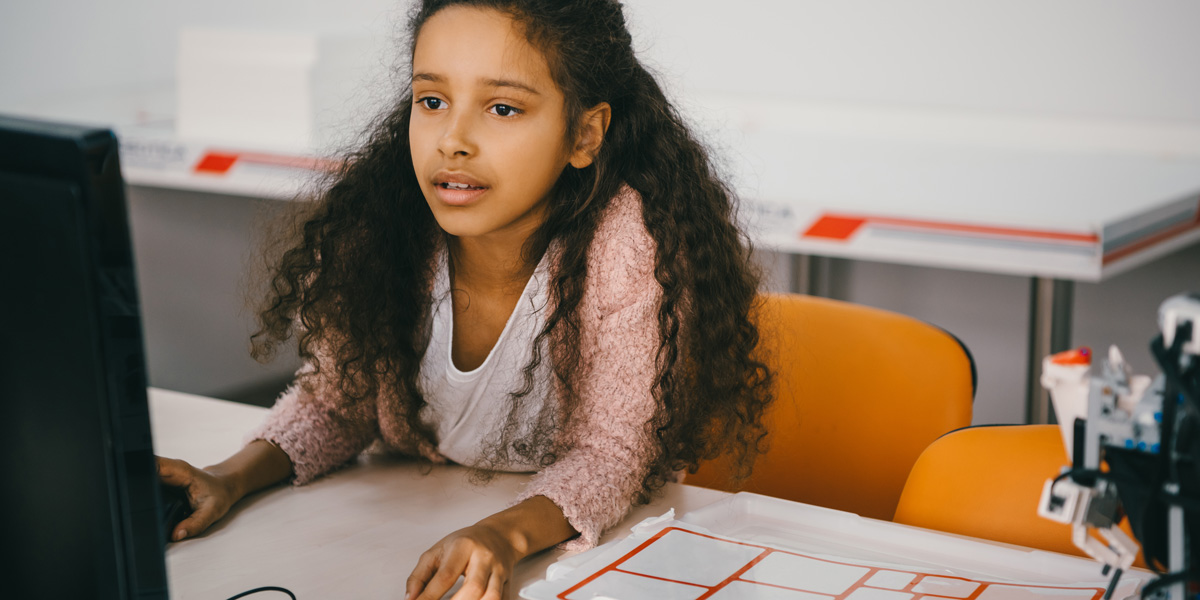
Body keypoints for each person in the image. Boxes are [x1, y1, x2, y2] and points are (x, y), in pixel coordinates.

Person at [156, 0, 774, 598]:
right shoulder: (379, 226)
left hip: (590, 558)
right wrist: (228, 479)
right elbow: (334, 408)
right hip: (408, 522)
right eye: (431, 101)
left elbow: (611, 458)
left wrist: (500, 536)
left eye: (502, 108)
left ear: (584, 134)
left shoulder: (628, 248)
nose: (452, 139)